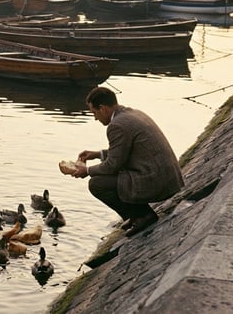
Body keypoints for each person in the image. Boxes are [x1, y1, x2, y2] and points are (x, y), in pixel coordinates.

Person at [68, 86, 184, 237]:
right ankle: (137, 214)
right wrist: (98, 154)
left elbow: (113, 165)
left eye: (94, 113)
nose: (95, 118)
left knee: (97, 184)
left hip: (156, 181)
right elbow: (126, 152)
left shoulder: (116, 125)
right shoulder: (133, 114)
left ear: (102, 108)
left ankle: (142, 216)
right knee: (116, 175)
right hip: (168, 176)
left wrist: (87, 171)